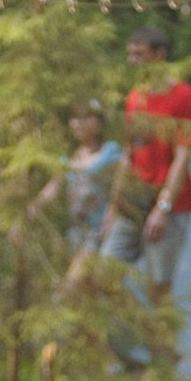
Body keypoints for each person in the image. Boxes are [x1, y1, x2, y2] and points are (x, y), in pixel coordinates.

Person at [97, 26, 191, 326]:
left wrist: (163, 207)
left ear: (159, 55)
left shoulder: (183, 96)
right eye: (130, 54)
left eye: (139, 54)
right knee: (105, 272)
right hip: (133, 200)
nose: (133, 61)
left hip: (170, 204)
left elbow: (183, 154)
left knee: (159, 286)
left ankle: (164, 363)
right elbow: (130, 154)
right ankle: (136, 338)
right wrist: (113, 208)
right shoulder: (135, 98)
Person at [23, 99, 122, 282]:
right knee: (88, 292)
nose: (79, 124)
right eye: (74, 118)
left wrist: (112, 214)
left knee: (70, 286)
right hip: (76, 233)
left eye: (85, 118)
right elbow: (54, 187)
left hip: (100, 232)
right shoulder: (68, 157)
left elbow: (121, 186)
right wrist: (32, 209)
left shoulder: (110, 152)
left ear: (98, 121)